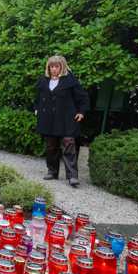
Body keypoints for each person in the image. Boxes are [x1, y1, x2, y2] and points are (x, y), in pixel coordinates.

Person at [34, 55, 89, 187]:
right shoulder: (43, 81)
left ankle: (72, 176)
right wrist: (36, 108)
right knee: (51, 146)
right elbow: (37, 98)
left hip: (66, 119)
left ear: (62, 67)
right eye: (51, 66)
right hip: (48, 120)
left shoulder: (70, 81)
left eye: (56, 66)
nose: (54, 69)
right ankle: (52, 171)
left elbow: (83, 97)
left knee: (68, 144)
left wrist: (81, 112)